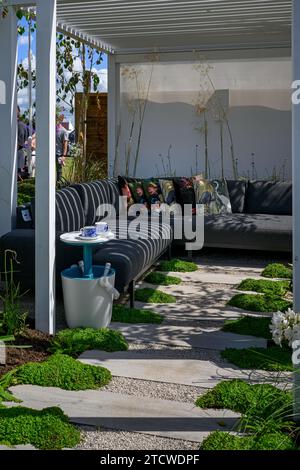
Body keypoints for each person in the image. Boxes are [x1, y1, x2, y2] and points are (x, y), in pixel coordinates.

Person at [56, 114, 69, 182]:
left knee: (59, 171)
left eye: (58, 119)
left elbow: (65, 144)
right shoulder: (51, 129)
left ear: (61, 120)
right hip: (51, 153)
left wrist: (63, 156)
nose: (56, 121)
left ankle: (58, 185)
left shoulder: (64, 131)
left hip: (59, 154)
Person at [17, 106, 29, 178]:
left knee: (17, 174)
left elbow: (21, 141)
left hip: (18, 152)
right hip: (19, 151)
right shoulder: (23, 125)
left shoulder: (20, 125)